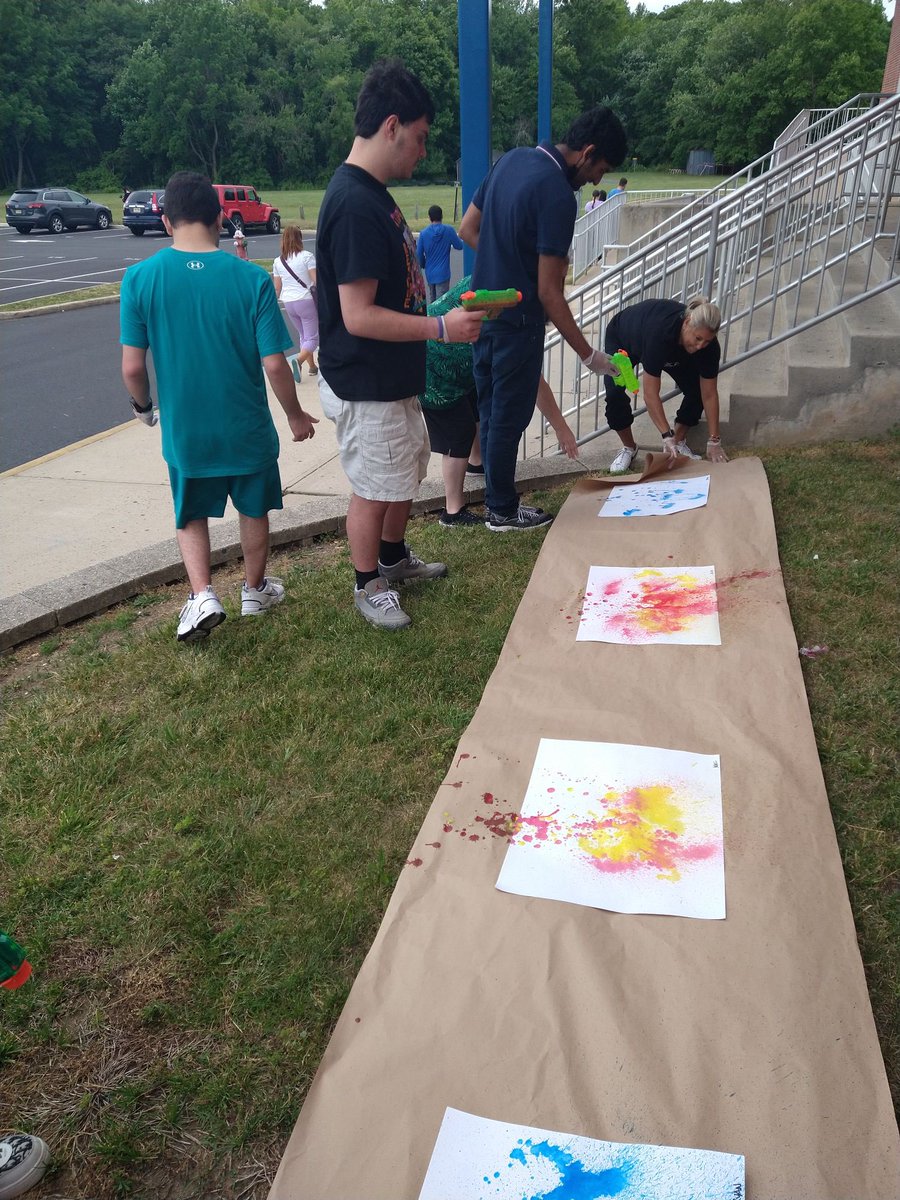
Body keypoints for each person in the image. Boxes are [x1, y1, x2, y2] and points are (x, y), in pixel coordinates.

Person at [315, 59, 483, 629]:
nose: (423, 151)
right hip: (367, 381)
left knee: (401, 473)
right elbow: (357, 316)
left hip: (393, 379)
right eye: (419, 138)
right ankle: (369, 584)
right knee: (373, 484)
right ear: (391, 126)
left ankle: (392, 557)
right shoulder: (356, 203)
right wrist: (440, 328)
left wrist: (440, 319)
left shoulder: (373, 193)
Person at [120, 171, 318, 643]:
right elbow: (275, 363)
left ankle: (203, 593)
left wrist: (144, 408)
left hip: (187, 429)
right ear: (220, 218)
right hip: (245, 424)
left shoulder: (140, 278)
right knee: (254, 508)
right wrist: (293, 414)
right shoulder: (249, 279)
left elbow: (132, 367)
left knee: (190, 513)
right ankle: (253, 590)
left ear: (167, 221)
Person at [458, 105, 627, 531]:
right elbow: (551, 294)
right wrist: (589, 356)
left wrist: (506, 268)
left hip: (485, 313)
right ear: (586, 152)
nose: (596, 180)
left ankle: (499, 502)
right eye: (600, 168)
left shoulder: (511, 159)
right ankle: (502, 509)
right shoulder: (557, 194)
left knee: (491, 412)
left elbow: (468, 229)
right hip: (518, 326)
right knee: (508, 419)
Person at [420, 277, 579, 527]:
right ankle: (453, 511)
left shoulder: (503, 279)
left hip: (461, 360)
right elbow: (534, 382)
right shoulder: (513, 309)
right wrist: (561, 427)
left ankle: (478, 463)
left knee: (477, 413)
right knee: (456, 436)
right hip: (435, 364)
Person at [602, 296, 729, 472]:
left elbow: (709, 394)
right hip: (624, 338)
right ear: (687, 323)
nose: (701, 346)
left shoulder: (709, 349)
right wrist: (665, 435)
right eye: (698, 338)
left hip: (672, 348)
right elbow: (650, 394)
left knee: (696, 391)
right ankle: (629, 448)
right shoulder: (661, 333)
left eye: (707, 341)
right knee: (615, 393)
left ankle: (678, 442)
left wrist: (714, 440)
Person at [272, 225, 319, 378]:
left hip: (288, 301)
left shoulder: (278, 261)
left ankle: (312, 367)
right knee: (313, 338)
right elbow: (315, 280)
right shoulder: (307, 256)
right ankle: (298, 361)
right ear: (299, 238)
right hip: (305, 300)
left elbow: (277, 287)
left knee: (303, 335)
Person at [416, 205, 464, 303]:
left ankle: (432, 317)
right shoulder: (449, 230)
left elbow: (419, 254)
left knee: (433, 301)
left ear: (429, 217)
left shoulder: (424, 233)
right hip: (443, 273)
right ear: (442, 216)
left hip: (430, 272)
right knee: (442, 303)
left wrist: (423, 264)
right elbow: (459, 246)